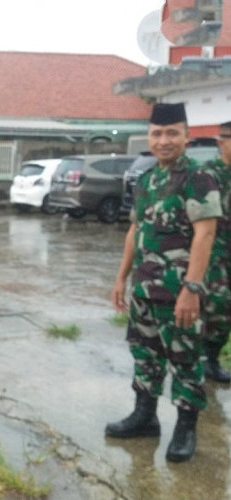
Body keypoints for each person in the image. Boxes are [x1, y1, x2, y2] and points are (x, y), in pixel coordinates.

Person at [106, 103, 222, 463]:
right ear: (149, 137)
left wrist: (193, 288)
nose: (164, 140)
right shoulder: (146, 178)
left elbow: (205, 234)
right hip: (144, 290)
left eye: (172, 133)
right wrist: (121, 277)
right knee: (145, 355)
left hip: (179, 294)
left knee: (186, 360)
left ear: (187, 136)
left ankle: (186, 429)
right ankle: (145, 416)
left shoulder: (198, 178)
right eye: (157, 133)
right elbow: (135, 229)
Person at [202, 120, 231, 383]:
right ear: (220, 142)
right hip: (213, 254)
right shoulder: (208, 175)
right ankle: (204, 358)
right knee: (216, 306)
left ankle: (212, 358)